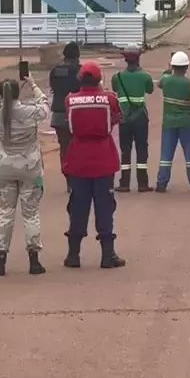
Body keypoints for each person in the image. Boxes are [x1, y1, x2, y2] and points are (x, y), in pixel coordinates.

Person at [63, 61, 125, 269]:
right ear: (99, 79)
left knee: (78, 206)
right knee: (105, 206)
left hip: (78, 159)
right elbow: (117, 116)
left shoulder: (70, 100)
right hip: (103, 159)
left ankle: (73, 255)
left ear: (81, 78)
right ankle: (108, 255)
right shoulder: (109, 99)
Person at [0, 75, 49, 276]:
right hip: (30, 167)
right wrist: (33, 84)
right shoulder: (30, 112)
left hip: (5, 167)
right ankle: (34, 259)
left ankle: (1, 259)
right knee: (31, 214)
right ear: (18, 92)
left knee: (5, 213)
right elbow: (45, 105)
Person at [155, 51, 190, 193]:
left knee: (166, 155)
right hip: (186, 122)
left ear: (173, 66)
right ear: (186, 67)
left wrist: (169, 68)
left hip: (168, 123)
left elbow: (161, 81)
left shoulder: (166, 80)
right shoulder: (189, 84)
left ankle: (161, 183)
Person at [111, 46, 154, 192]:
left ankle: (124, 183)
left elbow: (115, 89)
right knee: (142, 149)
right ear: (138, 59)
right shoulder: (145, 76)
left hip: (124, 118)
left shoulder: (117, 77)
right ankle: (142, 183)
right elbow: (150, 90)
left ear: (125, 60)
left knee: (125, 150)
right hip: (140, 117)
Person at [49, 41, 81, 189]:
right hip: (78, 115)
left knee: (65, 148)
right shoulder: (81, 71)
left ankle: (69, 179)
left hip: (59, 115)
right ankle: (78, 178)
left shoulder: (55, 71)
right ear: (77, 56)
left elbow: (54, 88)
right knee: (80, 147)